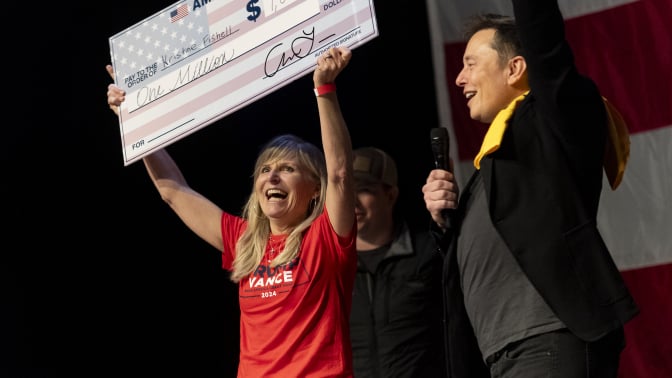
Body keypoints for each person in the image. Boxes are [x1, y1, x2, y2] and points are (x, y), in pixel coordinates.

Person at [106, 47, 358, 377]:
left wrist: (324, 88)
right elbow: (173, 191)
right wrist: (134, 121)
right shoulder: (243, 239)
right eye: (265, 169)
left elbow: (339, 173)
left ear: (314, 190)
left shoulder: (326, 238)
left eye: (287, 169)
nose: (273, 176)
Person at [421, 0, 639, 377]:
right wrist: (445, 225)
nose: (459, 78)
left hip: (551, 340)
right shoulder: (492, 165)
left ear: (516, 68)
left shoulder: (554, 121)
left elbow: (546, 46)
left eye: (471, 63)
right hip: (503, 354)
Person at [349, 147, 446, 377]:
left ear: (390, 195)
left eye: (363, 190)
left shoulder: (429, 252)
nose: (352, 202)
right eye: (345, 192)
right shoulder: (332, 267)